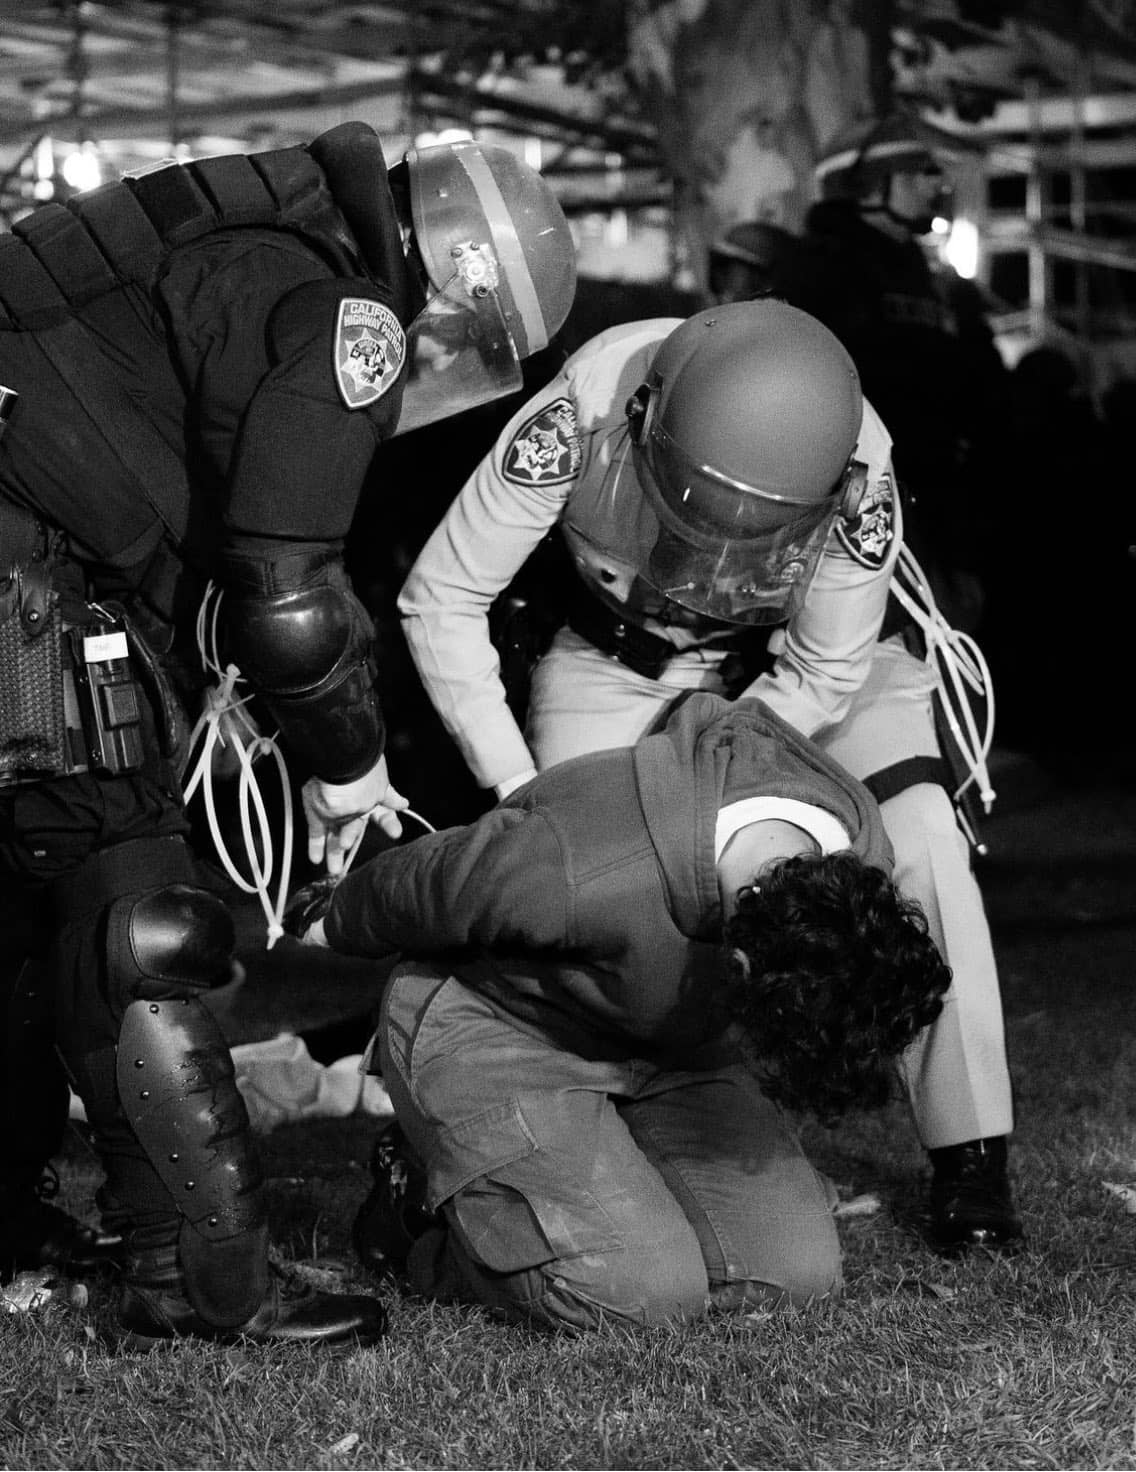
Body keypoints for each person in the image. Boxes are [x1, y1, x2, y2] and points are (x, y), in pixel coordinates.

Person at [0, 119, 576, 1344]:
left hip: (23, 524)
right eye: (474, 347)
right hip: (24, 560)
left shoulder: (266, 227)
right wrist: (347, 765)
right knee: (129, 903)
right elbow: (289, 594)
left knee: (19, 899)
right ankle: (199, 1279)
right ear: (458, 280)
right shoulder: (344, 311)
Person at [395, 298, 1024, 1253]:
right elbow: (442, 595)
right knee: (593, 893)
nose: (725, 555)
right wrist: (529, 799)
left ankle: (970, 1151)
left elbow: (826, 670)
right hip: (624, 655)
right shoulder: (585, 407)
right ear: (647, 421)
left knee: (925, 838)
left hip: (808, 678)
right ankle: (566, 1114)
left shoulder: (862, 467)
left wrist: (719, 781)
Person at [293, 690, 951, 1328]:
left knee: (793, 1278)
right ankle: (420, 1210)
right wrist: (335, 916)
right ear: (740, 966)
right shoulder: (581, 860)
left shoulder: (852, 851)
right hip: (503, 1029)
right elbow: (437, 882)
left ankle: (611, 1184)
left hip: (671, 1041)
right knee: (637, 1296)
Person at [779, 111, 1012, 634]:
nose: (935, 186)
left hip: (938, 507)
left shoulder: (923, 274)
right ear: (864, 186)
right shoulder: (823, 267)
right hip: (856, 509)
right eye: (916, 174)